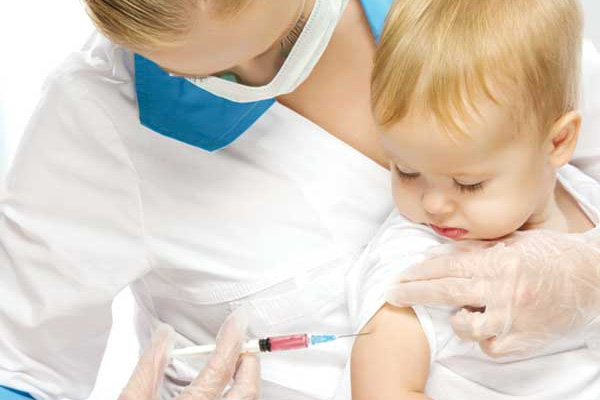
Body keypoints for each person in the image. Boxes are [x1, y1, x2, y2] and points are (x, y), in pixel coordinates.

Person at [1, 0, 600, 399]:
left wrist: (587, 271)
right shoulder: (92, 119)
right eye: (214, 75)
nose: (264, 76)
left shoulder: (488, 20)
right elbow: (19, 369)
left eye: (286, 36)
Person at [348, 0, 600, 399]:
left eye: (468, 184)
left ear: (557, 142)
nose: (433, 204)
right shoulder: (418, 266)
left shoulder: (585, 197)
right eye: (406, 170)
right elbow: (382, 390)